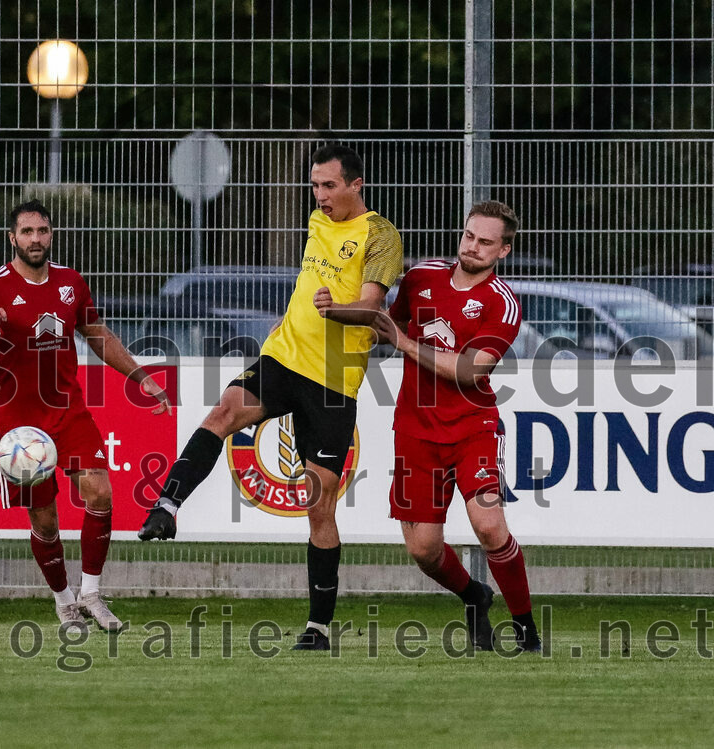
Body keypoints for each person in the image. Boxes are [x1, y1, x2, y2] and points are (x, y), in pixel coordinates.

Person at [139, 144, 404, 651]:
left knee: (316, 504)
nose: (320, 195)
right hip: (283, 357)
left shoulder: (380, 234)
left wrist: (336, 308)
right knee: (223, 412)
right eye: (314, 185)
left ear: (356, 185)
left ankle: (319, 628)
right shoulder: (316, 220)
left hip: (332, 381)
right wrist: (294, 318)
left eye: (329, 186)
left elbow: (371, 309)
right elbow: (309, 285)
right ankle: (166, 506)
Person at [0, 199, 170, 631]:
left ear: (51, 235)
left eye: (42, 231)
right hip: (17, 423)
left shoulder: (70, 282)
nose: (35, 239)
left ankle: (92, 594)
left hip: (68, 409)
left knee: (100, 493)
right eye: (27, 232)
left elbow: (97, 335)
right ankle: (64, 602)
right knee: (45, 517)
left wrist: (140, 376)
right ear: (12, 238)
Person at [371, 200, 541, 653]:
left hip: (473, 426)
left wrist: (405, 343)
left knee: (489, 525)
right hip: (414, 428)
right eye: (469, 236)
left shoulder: (501, 303)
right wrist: (339, 306)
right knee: (424, 550)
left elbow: (470, 371)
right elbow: (384, 324)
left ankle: (525, 630)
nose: (473, 247)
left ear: (504, 250)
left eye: (486, 242)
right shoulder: (421, 276)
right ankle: (474, 595)